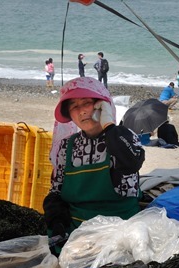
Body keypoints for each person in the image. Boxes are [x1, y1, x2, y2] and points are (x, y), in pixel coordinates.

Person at [44, 77, 145, 252]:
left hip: (121, 233)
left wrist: (108, 125)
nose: (82, 111)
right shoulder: (66, 146)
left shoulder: (124, 136)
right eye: (74, 107)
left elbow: (131, 162)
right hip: (78, 233)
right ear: (70, 115)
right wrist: (58, 220)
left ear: (102, 105)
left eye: (87, 103)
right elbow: (56, 191)